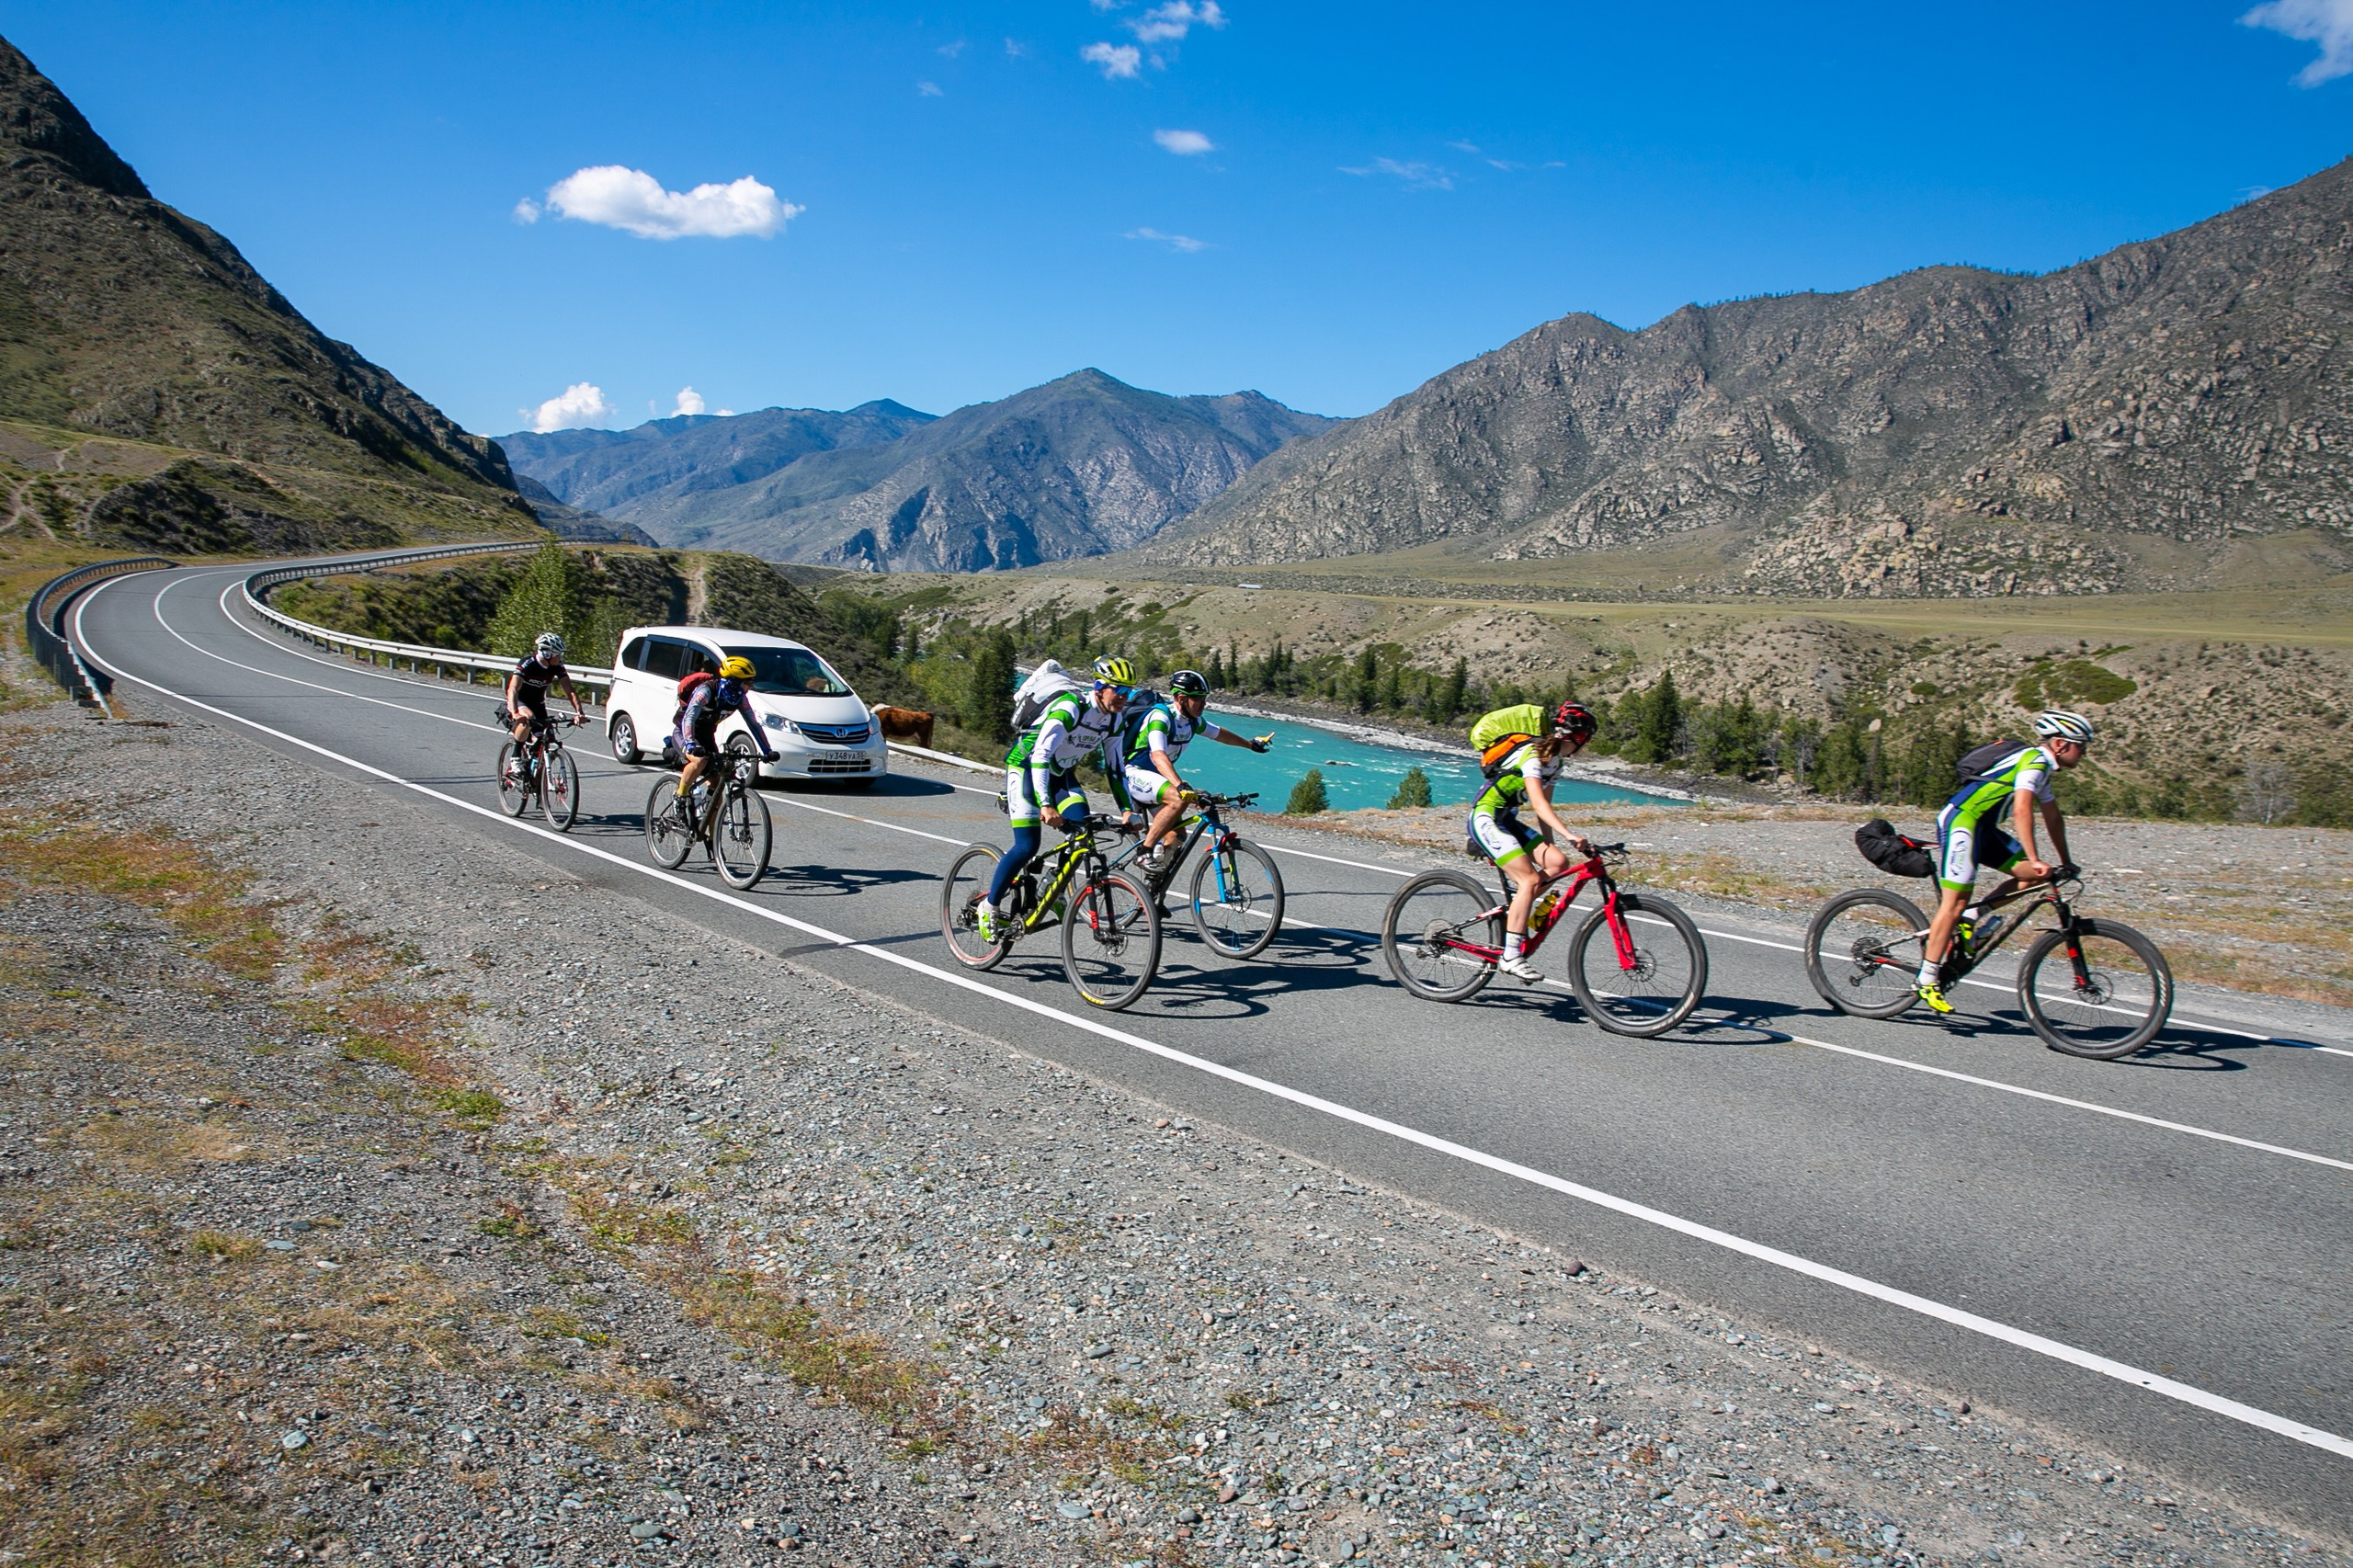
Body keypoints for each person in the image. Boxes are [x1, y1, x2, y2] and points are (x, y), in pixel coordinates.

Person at [1914, 710, 2093, 1014]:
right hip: (1961, 821)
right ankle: (1927, 979)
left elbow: (2053, 817)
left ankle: (1972, 917)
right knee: (1954, 903)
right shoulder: (2034, 762)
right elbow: (2023, 809)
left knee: (2035, 877)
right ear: (2061, 744)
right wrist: (2035, 857)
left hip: (1982, 828)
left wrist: (2065, 861)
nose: (2085, 752)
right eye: (2082, 745)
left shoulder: (2043, 769)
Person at [981, 655, 1135, 944]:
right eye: (1120, 691)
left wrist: (1128, 810)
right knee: (1027, 845)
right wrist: (1046, 805)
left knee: (1082, 833)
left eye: (1130, 693)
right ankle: (989, 906)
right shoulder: (1070, 709)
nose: (1125, 698)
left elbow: (1115, 769)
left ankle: (1051, 890)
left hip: (1061, 775)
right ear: (1100, 687)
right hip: (1026, 769)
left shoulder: (1114, 721)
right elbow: (1039, 757)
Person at [1469, 702, 1599, 983]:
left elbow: (1546, 808)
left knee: (1558, 863)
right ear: (1577, 738)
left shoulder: (1556, 763)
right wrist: (1570, 835)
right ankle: (1510, 956)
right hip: (1487, 817)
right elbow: (1539, 805)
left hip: (1508, 820)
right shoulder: (1532, 754)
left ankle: (1517, 911)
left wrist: (1550, 849)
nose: (1586, 746)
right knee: (1528, 881)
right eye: (1586, 739)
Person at [1115, 669, 1272, 872]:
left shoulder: (1192, 721)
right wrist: (1179, 785)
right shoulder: (1161, 718)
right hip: (1134, 774)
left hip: (1155, 779)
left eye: (1204, 698)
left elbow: (1220, 734)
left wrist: (1250, 745)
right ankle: (1144, 851)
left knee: (1177, 836)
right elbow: (1158, 756)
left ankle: (1150, 891)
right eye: (1198, 699)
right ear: (1181, 698)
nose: (1203, 704)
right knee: (1178, 798)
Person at [673, 655, 779, 818]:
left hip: (706, 735)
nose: (750, 686)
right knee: (699, 761)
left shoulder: (740, 698)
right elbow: (689, 718)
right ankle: (680, 796)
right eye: (747, 682)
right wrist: (690, 743)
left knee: (717, 779)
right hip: (685, 732)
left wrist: (767, 750)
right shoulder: (706, 691)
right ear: (734, 681)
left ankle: (709, 832)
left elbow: (754, 724)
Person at [504, 631, 585, 764]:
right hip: (520, 701)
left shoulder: (557, 667)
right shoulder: (527, 663)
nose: (561, 658)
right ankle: (516, 757)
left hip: (538, 704)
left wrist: (579, 713)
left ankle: (538, 773)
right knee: (529, 718)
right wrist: (515, 713)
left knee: (546, 736)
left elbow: (569, 690)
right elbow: (513, 688)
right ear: (547, 654)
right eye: (558, 654)